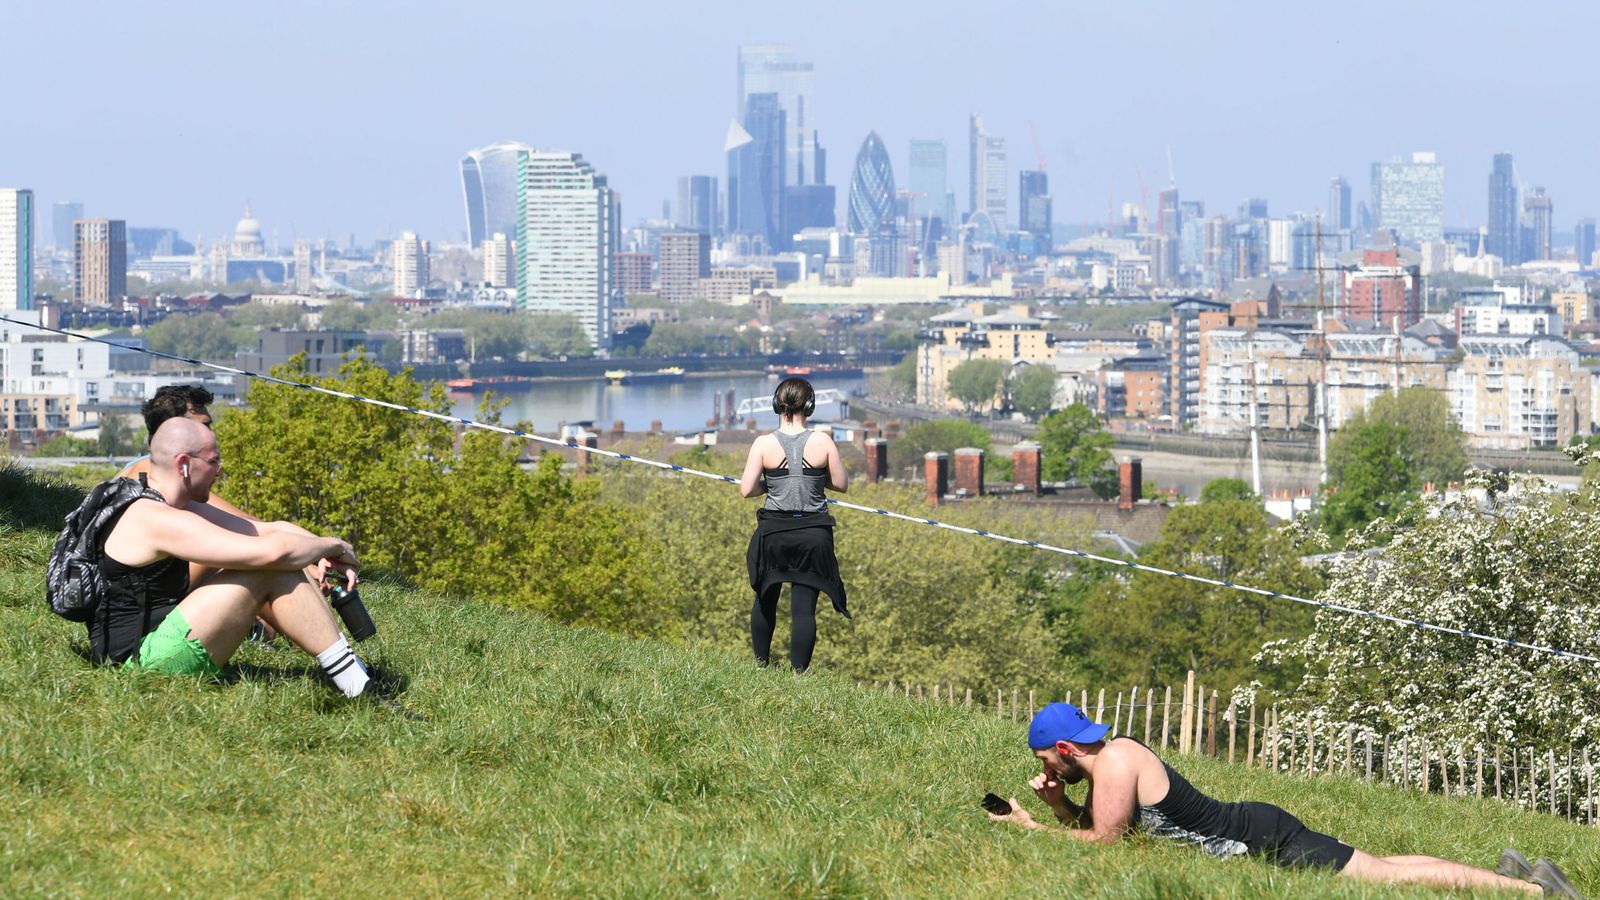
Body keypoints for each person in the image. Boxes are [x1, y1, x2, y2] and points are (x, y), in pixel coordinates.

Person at [988, 702, 1581, 897]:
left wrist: (1033, 832)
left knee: (1382, 877)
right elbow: (1113, 829)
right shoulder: (1106, 765)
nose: (1048, 771)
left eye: (1047, 762)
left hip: (1260, 837)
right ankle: (1514, 877)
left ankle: (1533, 892)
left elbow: (1107, 841)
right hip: (1257, 831)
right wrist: (1060, 808)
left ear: (1065, 746)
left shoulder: (1115, 760)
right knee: (1384, 867)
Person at [91, 416, 373, 698]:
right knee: (270, 566)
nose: (219, 470)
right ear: (183, 464)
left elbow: (267, 530)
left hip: (150, 640)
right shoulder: (156, 518)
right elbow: (274, 551)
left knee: (278, 560)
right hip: (140, 663)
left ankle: (354, 675)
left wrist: (325, 550)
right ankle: (359, 689)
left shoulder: (159, 498)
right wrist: (332, 546)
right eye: (213, 461)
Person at [738, 377, 850, 672]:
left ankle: (761, 666)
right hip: (813, 535)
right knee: (804, 611)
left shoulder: (763, 443)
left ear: (776, 404)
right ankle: (799, 674)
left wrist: (770, 485)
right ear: (810, 406)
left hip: (774, 532)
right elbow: (841, 484)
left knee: (765, 598)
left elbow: (747, 490)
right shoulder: (823, 441)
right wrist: (813, 480)